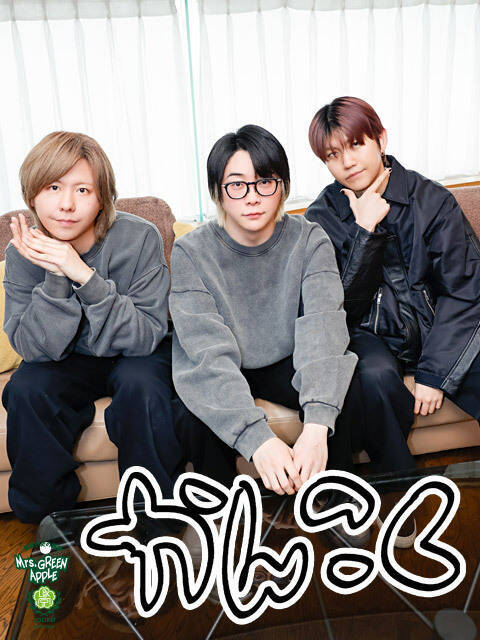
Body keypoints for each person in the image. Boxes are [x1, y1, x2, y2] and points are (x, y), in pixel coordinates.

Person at [306, 96, 480, 544]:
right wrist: (364, 231)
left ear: (380, 139)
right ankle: (399, 497)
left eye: (355, 145)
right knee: (372, 376)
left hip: (439, 329)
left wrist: (434, 374)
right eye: (332, 154)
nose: (347, 162)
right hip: (368, 334)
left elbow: (464, 291)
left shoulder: (432, 200)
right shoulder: (322, 217)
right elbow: (337, 307)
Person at [2, 131, 184, 523]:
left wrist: (82, 274)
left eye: (83, 190)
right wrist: (56, 273)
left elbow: (145, 336)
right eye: (53, 188)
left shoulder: (140, 237)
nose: (66, 204)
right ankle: (49, 524)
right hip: (68, 358)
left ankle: (155, 519)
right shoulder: (22, 253)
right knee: (26, 389)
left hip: (135, 350)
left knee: (141, 384)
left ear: (102, 199)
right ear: (32, 195)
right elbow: (33, 350)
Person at [170, 124, 359, 500]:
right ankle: (221, 519)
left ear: (282, 187)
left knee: (346, 389)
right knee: (194, 414)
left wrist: (317, 426)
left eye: (265, 182)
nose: (253, 197)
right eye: (237, 185)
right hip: (225, 363)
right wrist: (257, 439)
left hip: (286, 359)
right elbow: (207, 354)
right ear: (218, 192)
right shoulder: (191, 251)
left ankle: (337, 506)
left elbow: (323, 329)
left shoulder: (310, 239)